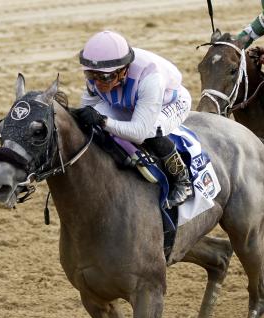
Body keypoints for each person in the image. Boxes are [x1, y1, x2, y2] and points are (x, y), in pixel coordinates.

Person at [72, 30, 194, 209]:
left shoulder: (150, 78)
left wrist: (103, 121)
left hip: (168, 103)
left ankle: (182, 180)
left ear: (124, 70)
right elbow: (86, 111)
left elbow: (138, 133)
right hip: (129, 102)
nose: (98, 83)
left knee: (151, 132)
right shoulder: (98, 73)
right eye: (92, 75)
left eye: (105, 77)